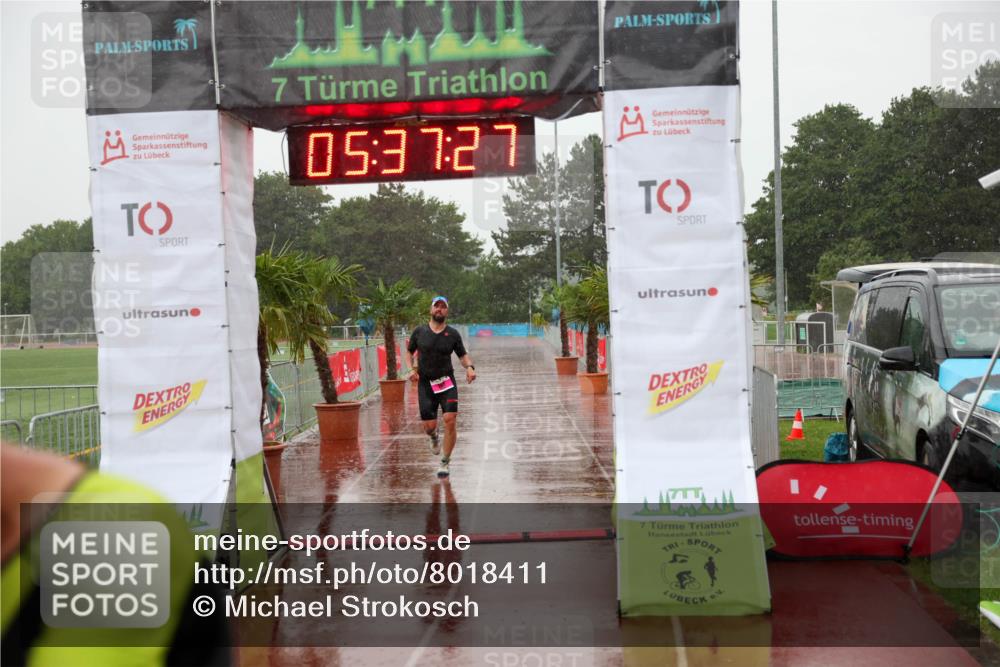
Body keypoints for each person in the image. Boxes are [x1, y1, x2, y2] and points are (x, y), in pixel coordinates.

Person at [406, 296, 476, 478]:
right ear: (431, 310)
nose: (439, 309)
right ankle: (433, 436)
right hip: (426, 384)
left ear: (447, 311)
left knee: (450, 418)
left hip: (446, 382)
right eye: (436, 306)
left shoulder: (452, 334)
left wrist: (469, 367)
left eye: (443, 307)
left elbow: (463, 355)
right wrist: (411, 369)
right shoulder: (419, 332)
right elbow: (409, 351)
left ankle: (445, 462)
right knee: (429, 426)